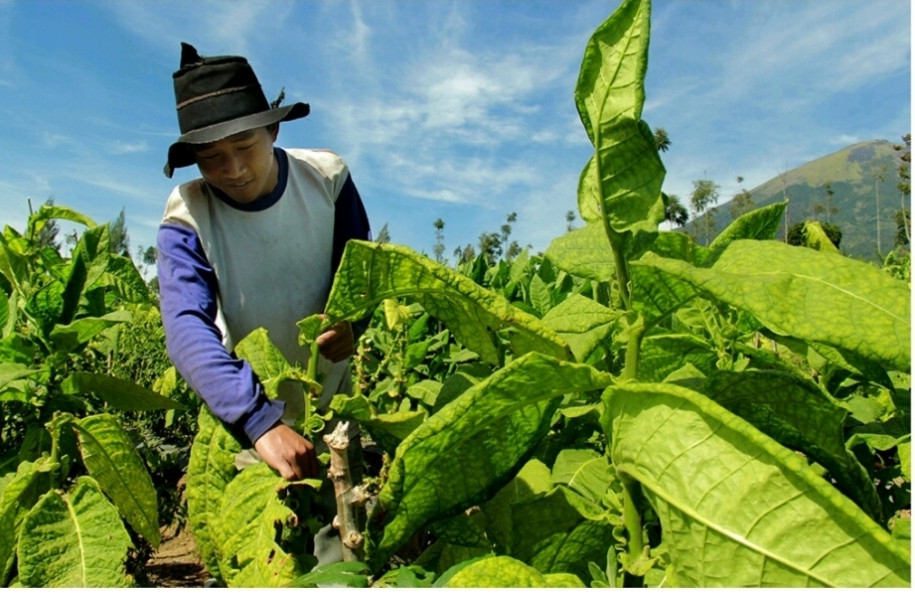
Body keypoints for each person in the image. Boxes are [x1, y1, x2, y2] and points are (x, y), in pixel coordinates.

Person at [156, 42, 371, 484]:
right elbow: (185, 327)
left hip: (332, 405)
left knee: (344, 542)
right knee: (270, 543)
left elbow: (362, 276)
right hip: (252, 417)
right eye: (211, 157)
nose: (233, 168)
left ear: (272, 132)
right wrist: (259, 423)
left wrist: (355, 325)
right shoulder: (188, 214)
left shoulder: (326, 179)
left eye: (244, 145)